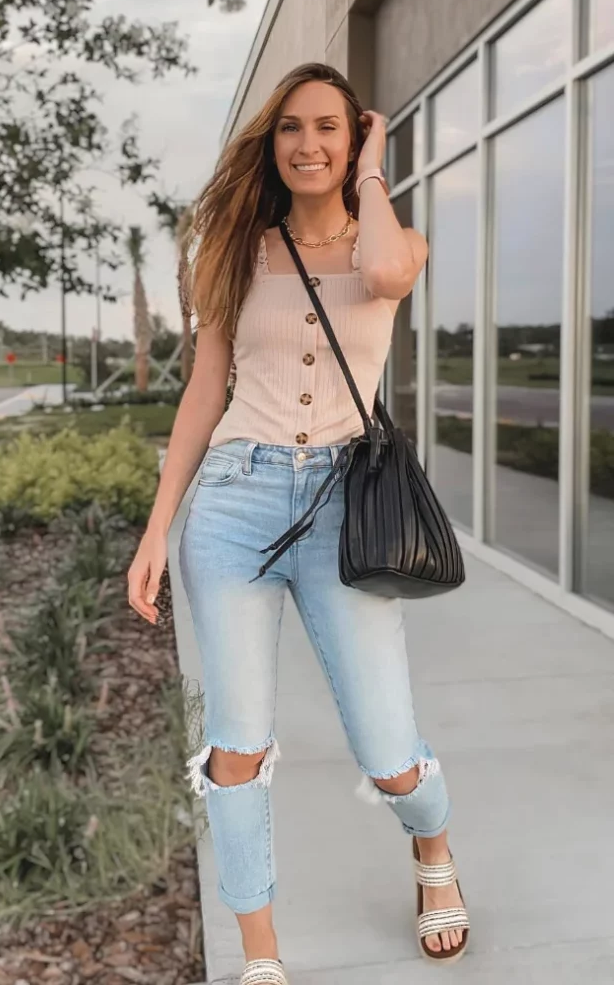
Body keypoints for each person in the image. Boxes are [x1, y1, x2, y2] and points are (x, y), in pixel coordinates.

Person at [128, 62, 470, 985]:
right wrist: (160, 527)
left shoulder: (387, 243)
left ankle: (432, 849)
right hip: (235, 503)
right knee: (236, 746)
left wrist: (373, 165)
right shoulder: (237, 249)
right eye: (290, 129)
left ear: (353, 141)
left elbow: (389, 272)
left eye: (328, 127)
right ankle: (262, 959)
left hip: (342, 508)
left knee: (391, 755)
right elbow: (206, 391)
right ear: (270, 144)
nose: (307, 144)